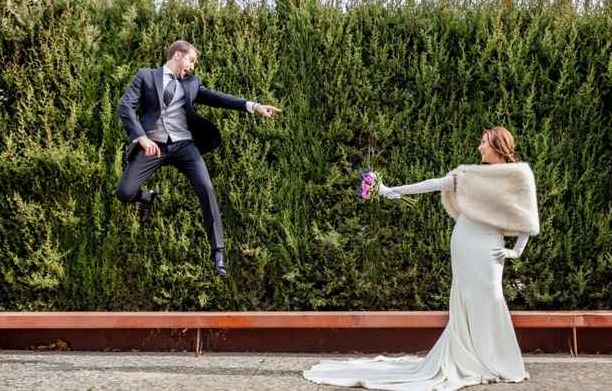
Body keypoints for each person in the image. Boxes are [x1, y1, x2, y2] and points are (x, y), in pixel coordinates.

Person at [304, 126, 539, 390]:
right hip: (465, 241)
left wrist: (516, 250)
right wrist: (392, 190)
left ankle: (496, 360)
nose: (479, 147)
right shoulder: (469, 175)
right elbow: (435, 184)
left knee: (491, 297)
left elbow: (528, 218)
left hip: (490, 246)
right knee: (466, 298)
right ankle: (472, 359)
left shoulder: (520, 174)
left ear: (498, 145)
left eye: (484, 142)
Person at [115, 40, 282, 276]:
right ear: (177, 56)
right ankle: (148, 197)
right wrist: (141, 138)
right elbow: (125, 106)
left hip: (184, 147)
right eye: (191, 60)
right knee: (124, 192)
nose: (192, 67)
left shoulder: (191, 84)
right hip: (153, 145)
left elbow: (217, 98)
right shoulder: (146, 77)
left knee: (206, 188)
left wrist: (253, 106)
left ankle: (219, 253)